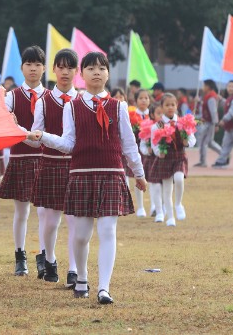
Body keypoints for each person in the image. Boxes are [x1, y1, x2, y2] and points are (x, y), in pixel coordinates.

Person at [29, 52, 146, 304]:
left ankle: (104, 288)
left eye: (101, 68)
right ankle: (81, 277)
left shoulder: (120, 107)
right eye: (90, 68)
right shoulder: (72, 106)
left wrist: (139, 173)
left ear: (108, 74)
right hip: (81, 175)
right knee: (81, 236)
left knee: (107, 231)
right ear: (82, 74)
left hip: (112, 175)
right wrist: (43, 136)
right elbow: (69, 143)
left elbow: (129, 144)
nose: (96, 72)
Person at [24, 48, 79, 286]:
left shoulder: (82, 100)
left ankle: (75, 269)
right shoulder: (44, 101)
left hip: (76, 166)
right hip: (50, 164)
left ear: (77, 71)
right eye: (61, 67)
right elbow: (35, 138)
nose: (65, 72)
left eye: (70, 68)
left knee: (75, 220)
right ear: (54, 69)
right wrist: (18, 131)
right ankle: (50, 258)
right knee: (51, 221)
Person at [0, 46, 47, 276]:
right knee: (22, 212)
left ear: (44, 68)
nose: (33, 69)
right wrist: (21, 130)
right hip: (21, 158)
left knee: (45, 213)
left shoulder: (51, 96)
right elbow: (3, 119)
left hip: (46, 159)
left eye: (37, 64)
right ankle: (20, 256)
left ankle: (46, 256)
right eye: (29, 64)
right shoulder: (12, 96)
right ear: (22, 68)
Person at [150, 93, 196, 227]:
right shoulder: (157, 126)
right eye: (167, 105)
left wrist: (187, 142)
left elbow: (192, 139)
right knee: (167, 189)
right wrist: (159, 152)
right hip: (165, 159)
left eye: (173, 104)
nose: (170, 107)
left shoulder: (183, 123)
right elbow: (154, 143)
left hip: (179, 157)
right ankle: (170, 217)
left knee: (179, 179)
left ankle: (178, 204)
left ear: (177, 106)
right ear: (162, 107)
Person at [127, 89, 152, 217]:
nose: (143, 100)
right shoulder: (130, 115)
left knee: (152, 178)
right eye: (141, 98)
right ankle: (141, 207)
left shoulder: (153, 116)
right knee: (138, 176)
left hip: (150, 152)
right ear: (136, 101)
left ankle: (154, 205)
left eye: (146, 98)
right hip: (136, 150)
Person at [195, 80, 222, 167]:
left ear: (208, 86)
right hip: (208, 122)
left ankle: (203, 162)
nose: (203, 87)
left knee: (203, 142)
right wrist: (199, 102)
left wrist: (216, 124)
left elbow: (213, 111)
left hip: (210, 123)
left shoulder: (211, 97)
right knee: (209, 142)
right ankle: (224, 155)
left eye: (204, 85)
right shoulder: (209, 96)